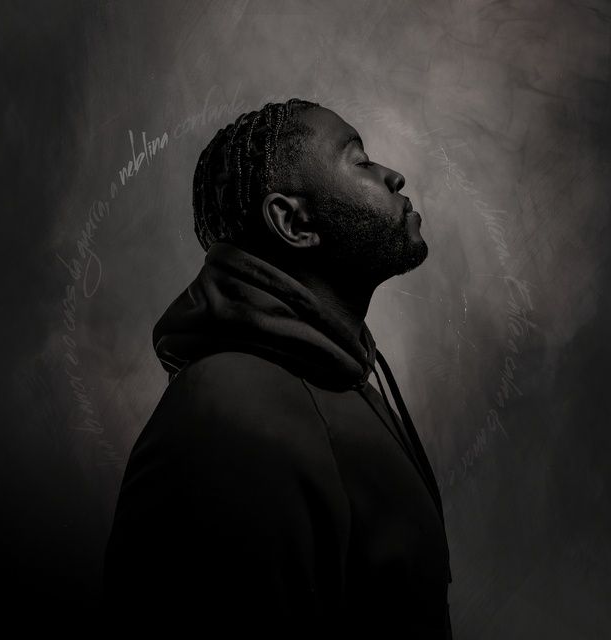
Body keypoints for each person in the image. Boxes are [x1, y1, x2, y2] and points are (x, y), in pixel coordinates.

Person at [103, 98, 452, 637]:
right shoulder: (230, 410)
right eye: (359, 161)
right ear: (293, 221)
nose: (392, 176)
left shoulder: (341, 383)